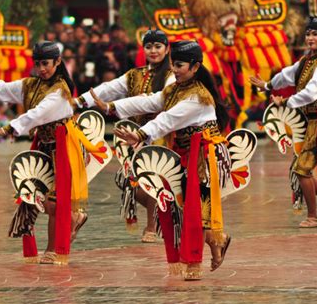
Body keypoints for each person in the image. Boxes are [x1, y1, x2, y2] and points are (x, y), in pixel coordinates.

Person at [92, 40, 232, 280]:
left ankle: (196, 262)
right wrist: (111, 106)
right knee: (183, 209)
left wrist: (140, 134)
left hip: (204, 158)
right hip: (183, 153)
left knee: (195, 212)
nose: (175, 69)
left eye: (180, 65)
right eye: (173, 64)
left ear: (195, 67)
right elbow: (150, 101)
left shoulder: (198, 97)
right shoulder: (176, 89)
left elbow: (168, 119)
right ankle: (218, 242)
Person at [0, 41, 106, 265]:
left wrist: (9, 128)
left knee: (53, 203)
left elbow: (37, 114)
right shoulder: (31, 84)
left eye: (46, 63)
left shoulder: (60, 91)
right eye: (38, 64)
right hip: (44, 145)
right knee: (33, 198)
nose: (41, 68)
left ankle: (52, 249)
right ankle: (75, 218)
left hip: (66, 147)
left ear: (57, 62)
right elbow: (4, 89)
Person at [250, 17, 317, 228]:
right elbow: (288, 75)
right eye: (308, 33)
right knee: (302, 168)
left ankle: (314, 216)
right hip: (313, 121)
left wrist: (286, 101)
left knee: (301, 169)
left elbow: (310, 93)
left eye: (315, 33)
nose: (310, 38)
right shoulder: (307, 60)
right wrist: (268, 85)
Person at [74, 29, 175, 243]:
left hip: (160, 133)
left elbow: (158, 101)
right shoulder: (134, 74)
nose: (153, 51)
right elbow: (108, 88)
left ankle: (152, 226)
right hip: (132, 136)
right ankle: (163, 214)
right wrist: (79, 102)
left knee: (152, 178)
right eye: (149, 46)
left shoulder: (172, 75)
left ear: (167, 49)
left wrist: (113, 107)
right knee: (127, 179)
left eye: (158, 46)